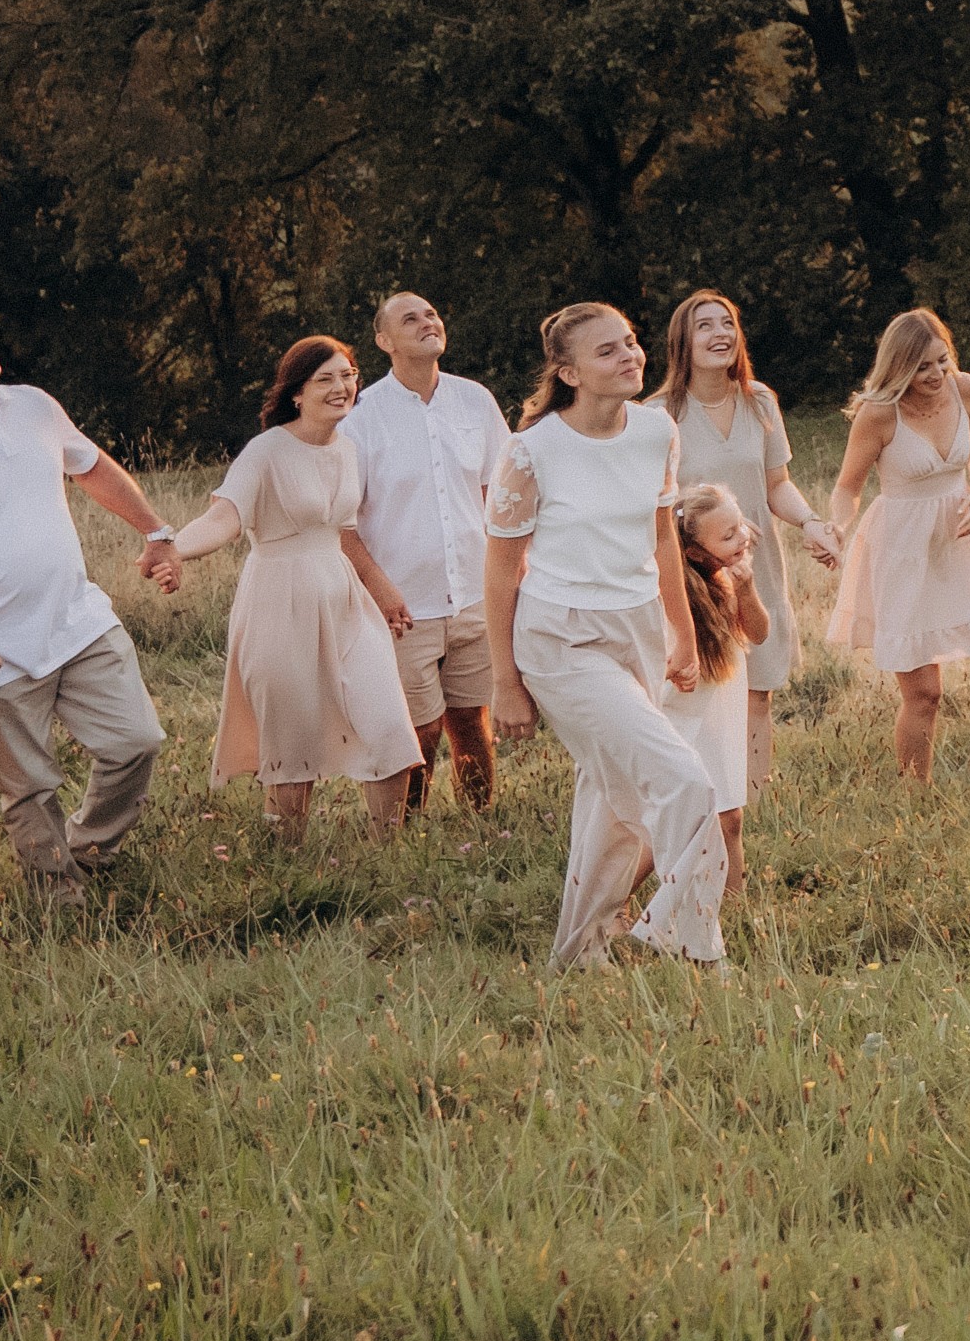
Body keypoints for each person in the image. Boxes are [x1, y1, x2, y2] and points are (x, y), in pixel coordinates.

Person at [0, 306, 192, 905]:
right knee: (28, 788)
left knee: (137, 742)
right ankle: (60, 903)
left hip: (78, 620)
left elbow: (91, 466)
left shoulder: (33, 405)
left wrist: (155, 531)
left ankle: (90, 850)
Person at [486, 298, 725, 970]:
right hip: (561, 640)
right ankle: (691, 944)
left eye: (630, 343)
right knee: (684, 782)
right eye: (608, 351)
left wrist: (681, 631)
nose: (630, 357)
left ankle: (579, 950)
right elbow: (502, 569)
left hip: (639, 628)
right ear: (568, 372)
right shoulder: (532, 451)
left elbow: (660, 537)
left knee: (609, 797)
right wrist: (505, 681)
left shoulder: (657, 433)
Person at [167, 335, 425, 839]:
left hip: (344, 598)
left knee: (392, 730)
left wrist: (385, 592)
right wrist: (176, 548)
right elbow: (225, 517)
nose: (341, 387)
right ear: (296, 394)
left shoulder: (348, 449)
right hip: (278, 600)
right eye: (325, 379)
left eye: (348, 375)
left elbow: (344, 534)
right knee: (292, 745)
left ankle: (389, 858)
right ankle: (285, 864)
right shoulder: (265, 451)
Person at [828, 308, 970, 779]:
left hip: (961, 544)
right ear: (899, 368)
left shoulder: (965, 388)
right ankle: (915, 800)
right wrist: (836, 528)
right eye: (922, 367)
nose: (936, 373)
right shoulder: (878, 415)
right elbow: (847, 488)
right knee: (923, 695)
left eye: (941, 360)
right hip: (902, 551)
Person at [340, 292, 513, 813]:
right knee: (418, 728)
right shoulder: (361, 416)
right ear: (384, 342)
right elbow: (341, 524)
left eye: (432, 314)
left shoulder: (474, 401)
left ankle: (480, 825)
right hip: (403, 606)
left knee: (472, 719)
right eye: (409, 319)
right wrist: (381, 589)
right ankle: (407, 829)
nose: (427, 322)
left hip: (473, 595)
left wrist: (510, 572)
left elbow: (501, 494)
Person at [658, 288, 824, 702]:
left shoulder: (760, 401)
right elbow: (652, 507)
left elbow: (777, 485)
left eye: (728, 322)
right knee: (702, 695)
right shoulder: (658, 415)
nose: (721, 333)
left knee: (757, 692)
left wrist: (810, 521)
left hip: (753, 563)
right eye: (705, 325)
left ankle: (757, 772)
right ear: (683, 342)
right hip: (694, 573)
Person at [672, 481, 775, 874]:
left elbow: (759, 633)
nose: (741, 539)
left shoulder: (730, 576)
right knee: (690, 817)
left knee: (730, 818)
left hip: (723, 712)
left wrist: (746, 589)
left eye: (740, 528)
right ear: (694, 552)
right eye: (728, 535)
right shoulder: (680, 589)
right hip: (687, 713)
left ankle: (735, 905)